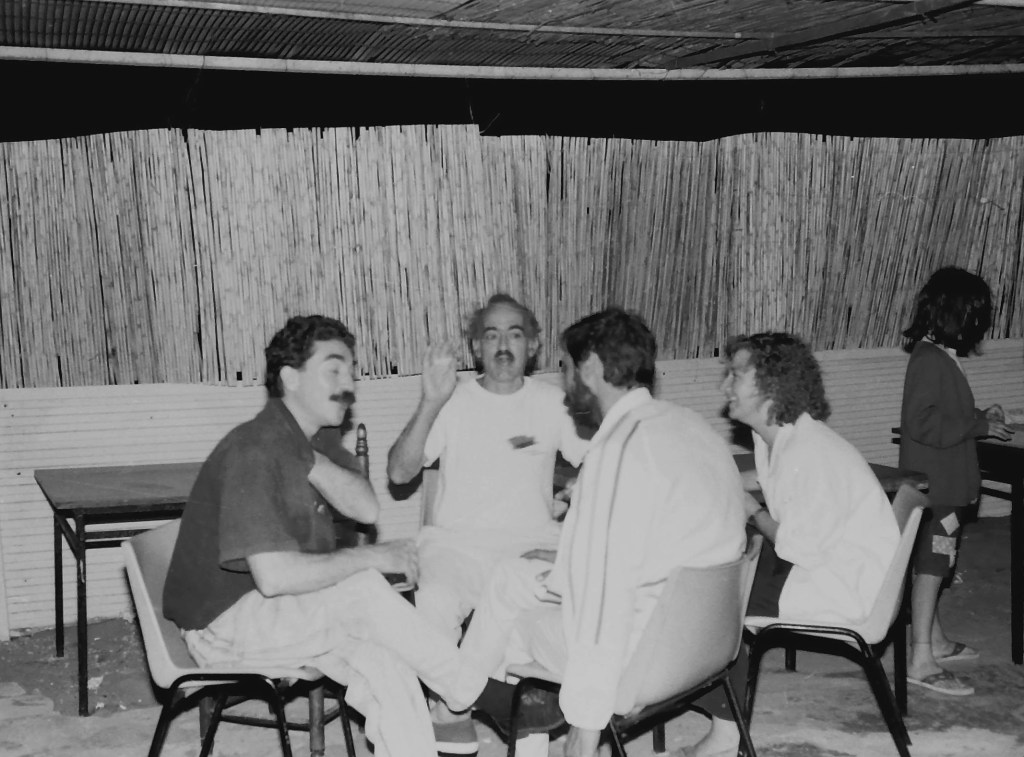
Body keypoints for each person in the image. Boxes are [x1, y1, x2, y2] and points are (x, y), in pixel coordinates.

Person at [162, 314, 487, 757]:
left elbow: (366, 508)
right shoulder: (254, 449)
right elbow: (274, 577)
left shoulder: (310, 440)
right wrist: (371, 558)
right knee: (363, 589)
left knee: (385, 662)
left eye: (351, 372)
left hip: (280, 612)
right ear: (290, 378)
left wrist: (309, 460)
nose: (348, 384)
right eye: (333, 370)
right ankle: (477, 692)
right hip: (223, 626)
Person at [451, 307, 747, 757]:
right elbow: (655, 544)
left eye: (566, 367)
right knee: (513, 575)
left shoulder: (616, 450)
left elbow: (604, 601)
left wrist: (585, 726)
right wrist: (569, 560)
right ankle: (458, 699)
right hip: (709, 641)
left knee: (513, 626)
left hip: (645, 658)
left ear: (589, 366)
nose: (564, 380)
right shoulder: (691, 425)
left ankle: (475, 707)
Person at [386, 294, 590, 750]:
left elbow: (598, 462)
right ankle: (454, 713)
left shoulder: (553, 402)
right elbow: (399, 473)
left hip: (528, 547)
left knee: (560, 611)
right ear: (476, 347)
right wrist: (429, 402)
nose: (502, 345)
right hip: (457, 546)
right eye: (491, 335)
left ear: (532, 345)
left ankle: (520, 713)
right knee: (434, 601)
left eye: (514, 334)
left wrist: (579, 492)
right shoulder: (451, 400)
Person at [686, 332, 900, 757]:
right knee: (719, 562)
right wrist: (710, 481)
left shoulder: (808, 452)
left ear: (771, 385)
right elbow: (763, 483)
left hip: (843, 585)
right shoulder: (784, 438)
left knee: (714, 596)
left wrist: (750, 509)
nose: (724, 386)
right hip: (829, 563)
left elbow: (797, 547)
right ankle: (717, 711)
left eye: (735, 375)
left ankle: (725, 733)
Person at [899, 267, 1014, 696]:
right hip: (940, 487)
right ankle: (920, 658)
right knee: (933, 566)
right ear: (957, 313)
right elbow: (922, 422)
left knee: (933, 562)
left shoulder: (938, 355)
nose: (978, 326)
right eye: (975, 315)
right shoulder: (929, 359)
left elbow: (945, 414)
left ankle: (937, 642)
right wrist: (977, 426)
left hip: (945, 484)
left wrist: (981, 416)